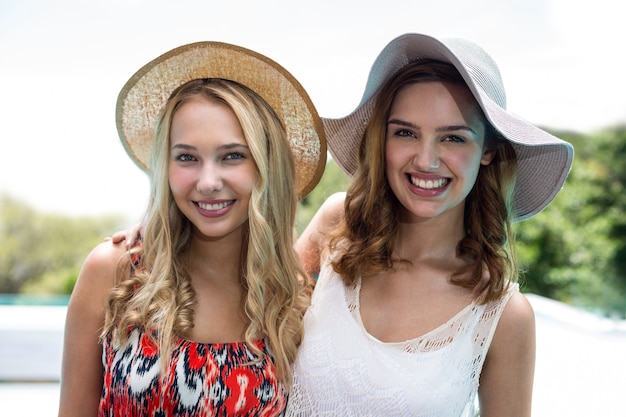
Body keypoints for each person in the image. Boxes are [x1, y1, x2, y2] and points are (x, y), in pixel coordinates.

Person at [286, 34, 573, 416]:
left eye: (453, 138)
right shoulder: (338, 226)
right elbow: (251, 332)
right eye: (405, 133)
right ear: (382, 139)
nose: (426, 160)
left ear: (488, 150)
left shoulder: (502, 315)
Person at [58, 41, 326, 416]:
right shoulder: (115, 271)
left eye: (232, 156)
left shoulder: (290, 299)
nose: (207, 182)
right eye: (187, 158)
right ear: (165, 167)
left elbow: (344, 212)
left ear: (267, 166)